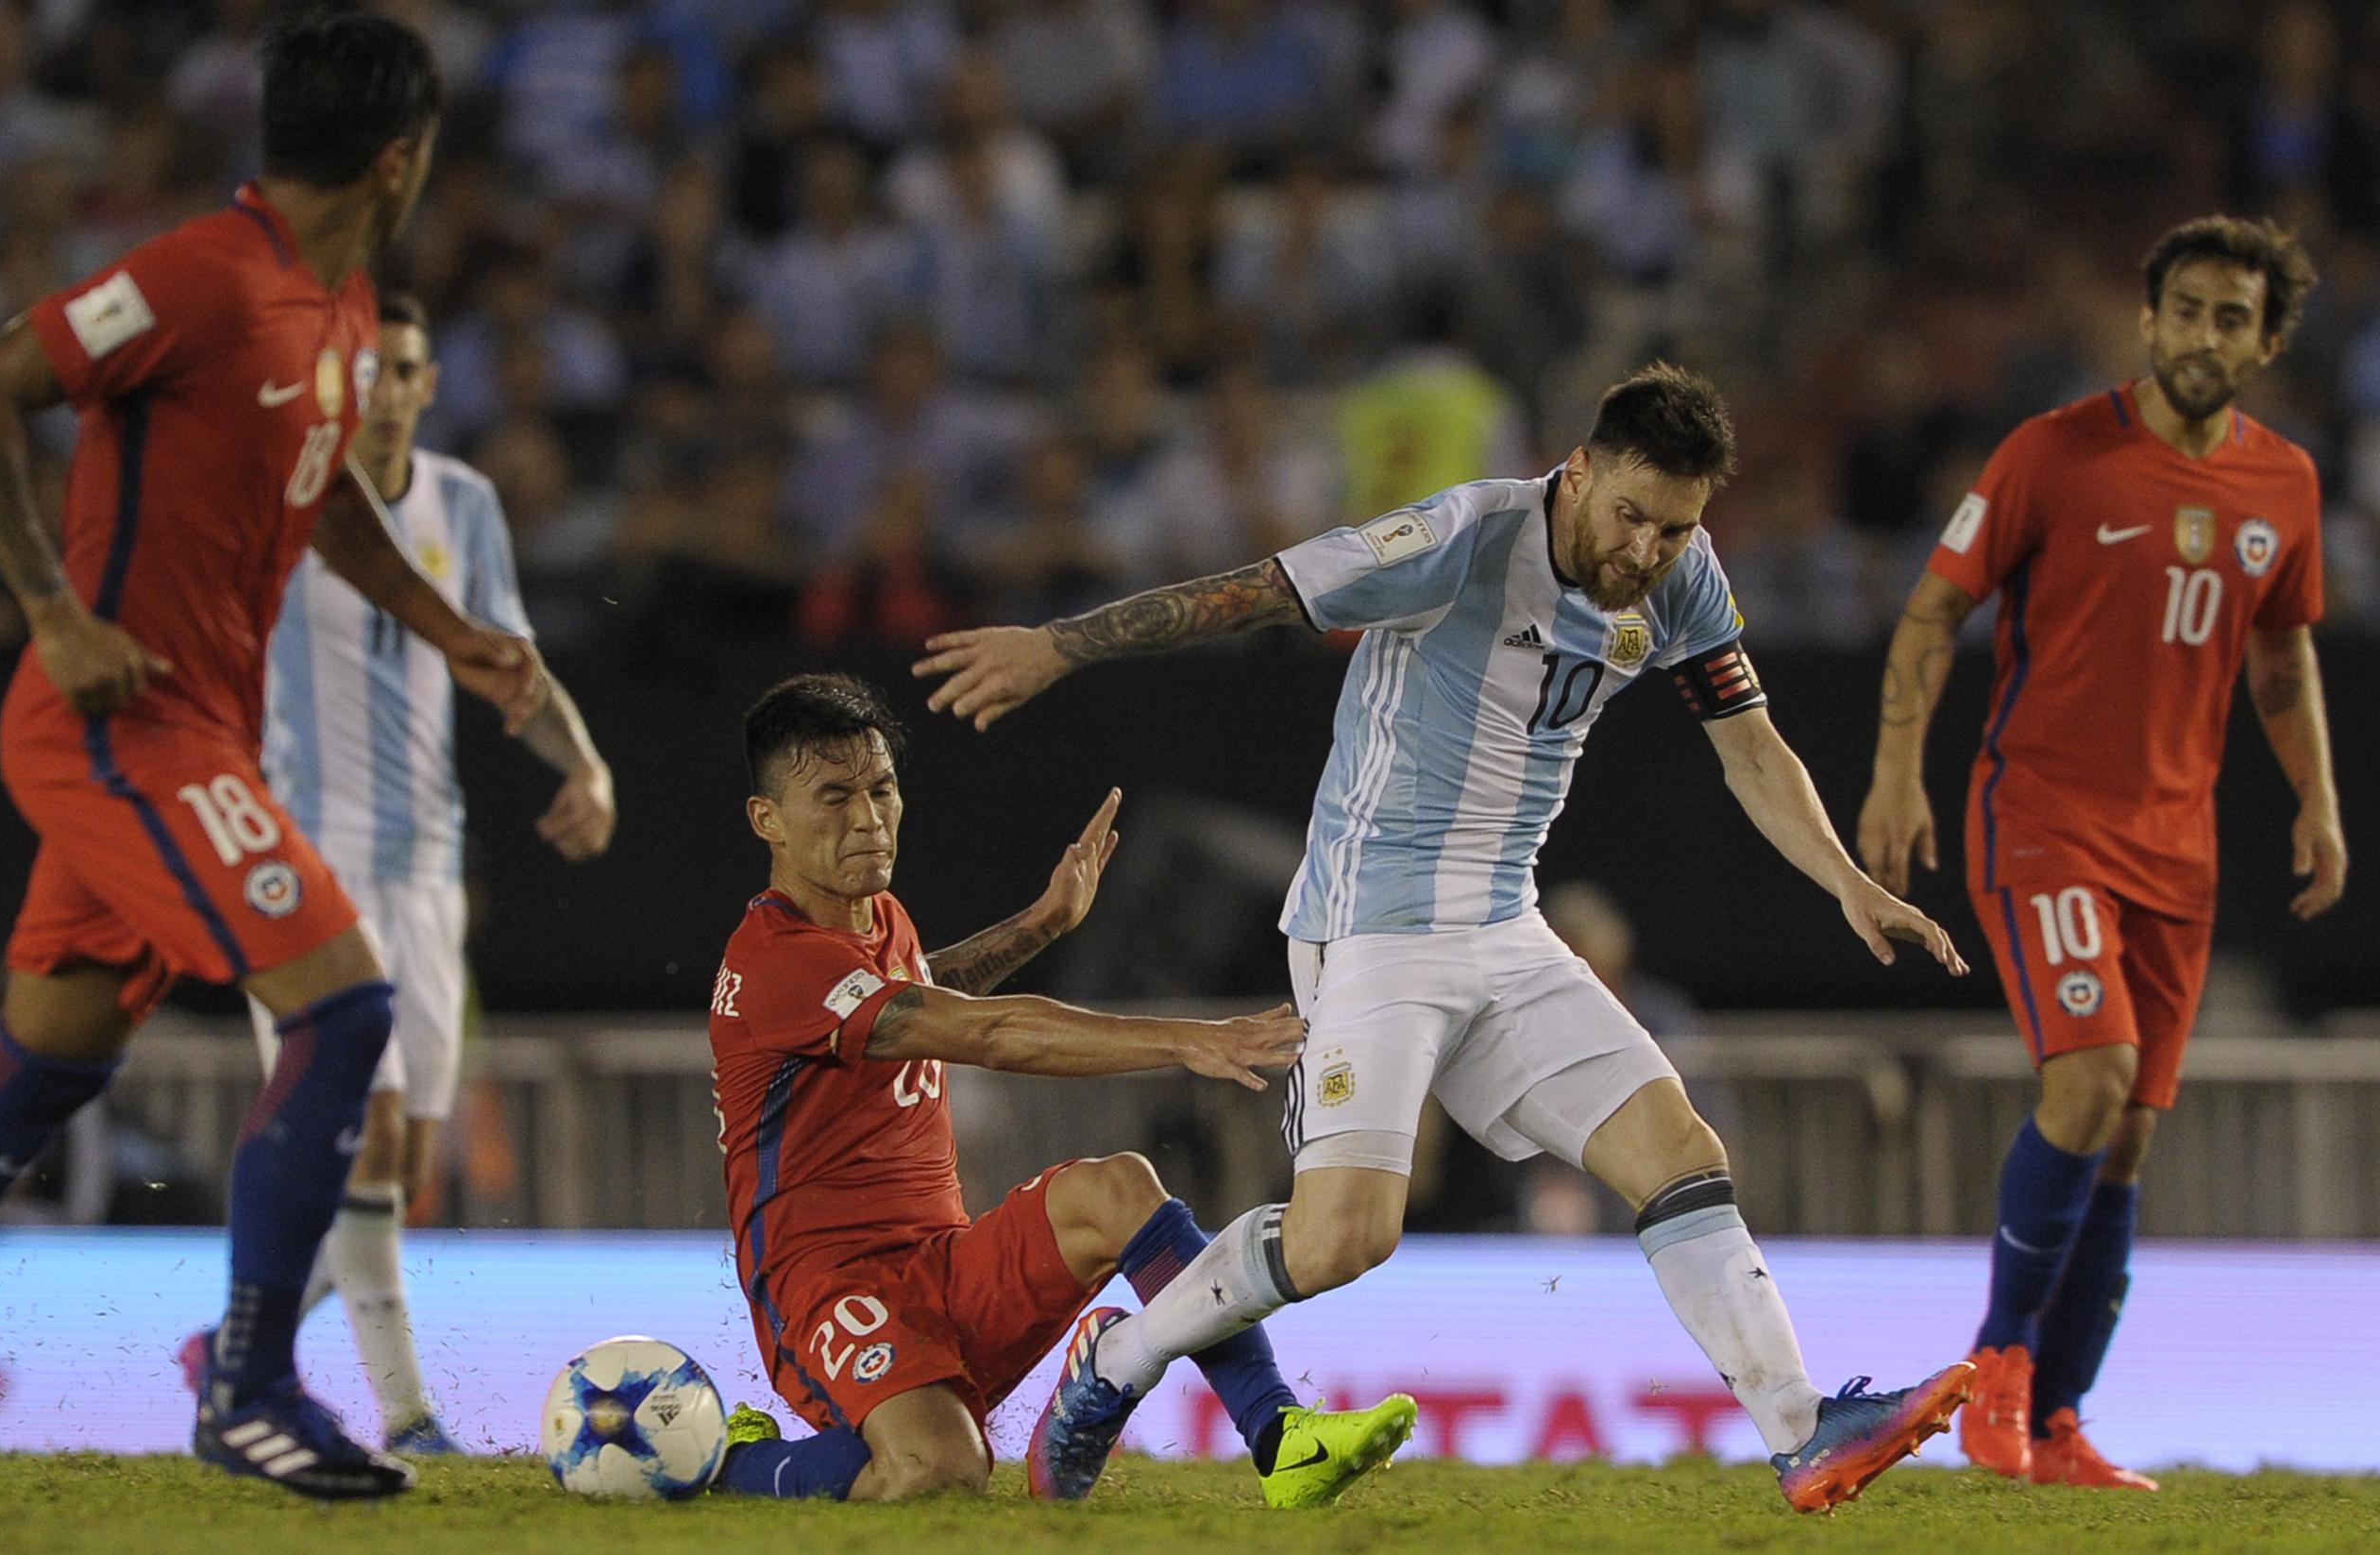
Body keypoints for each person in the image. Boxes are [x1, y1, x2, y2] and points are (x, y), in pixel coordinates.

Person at [915, 363, 1975, 1513]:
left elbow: (1751, 746)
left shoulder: (1683, 578)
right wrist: (1062, 646)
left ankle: (1801, 1429)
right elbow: (1261, 591)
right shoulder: (1462, 538)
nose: (1645, 551)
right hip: (1370, 926)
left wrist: (1846, 885)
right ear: (1577, 472)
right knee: (1340, 1242)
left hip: (1504, 925)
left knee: (1680, 1154)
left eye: (1674, 528)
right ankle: (1114, 1367)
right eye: (1629, 516)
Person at [0, 9, 541, 1509]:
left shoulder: (343, 303)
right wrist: (50, 610)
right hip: (121, 727)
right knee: (344, 1002)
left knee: (49, 1060)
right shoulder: (201, 277)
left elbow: (318, 496)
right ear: (401, 158)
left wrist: (450, 627)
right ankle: (246, 1381)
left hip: (192, 734)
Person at [1856, 215, 2344, 1492]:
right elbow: (1933, 607)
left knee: (2124, 1134)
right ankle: (1997, 1368)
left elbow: (2283, 654)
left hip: (2178, 851)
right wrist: (1897, 768)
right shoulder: (2054, 452)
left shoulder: (2283, 483)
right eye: (2184, 308)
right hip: (2046, 817)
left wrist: (2318, 800)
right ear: (2149, 319)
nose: (2202, 335)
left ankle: (2058, 1418)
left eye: (2231, 317)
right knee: (2091, 1074)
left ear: (2268, 340)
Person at [707, 674, 1414, 1506]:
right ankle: (723, 1466)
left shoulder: (873, 917)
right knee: (940, 1469)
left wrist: (1040, 926)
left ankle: (1280, 1435)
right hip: (830, 1294)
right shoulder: (776, 962)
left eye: (881, 788)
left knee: (1117, 1187)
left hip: (945, 1263)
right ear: (769, 822)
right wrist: (1183, 1038)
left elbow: (926, 990)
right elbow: (984, 1031)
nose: (867, 818)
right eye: (833, 797)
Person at [175, 291, 616, 1452]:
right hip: (303, 857)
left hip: (428, 864)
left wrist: (584, 762)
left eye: (405, 372)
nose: (382, 395)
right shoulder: (279, 496)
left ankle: (238, 1345)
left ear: (427, 386)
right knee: (362, 1134)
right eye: (362, 374)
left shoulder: (463, 504)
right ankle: (408, 1413)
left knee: (405, 1160)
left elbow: (505, 661)